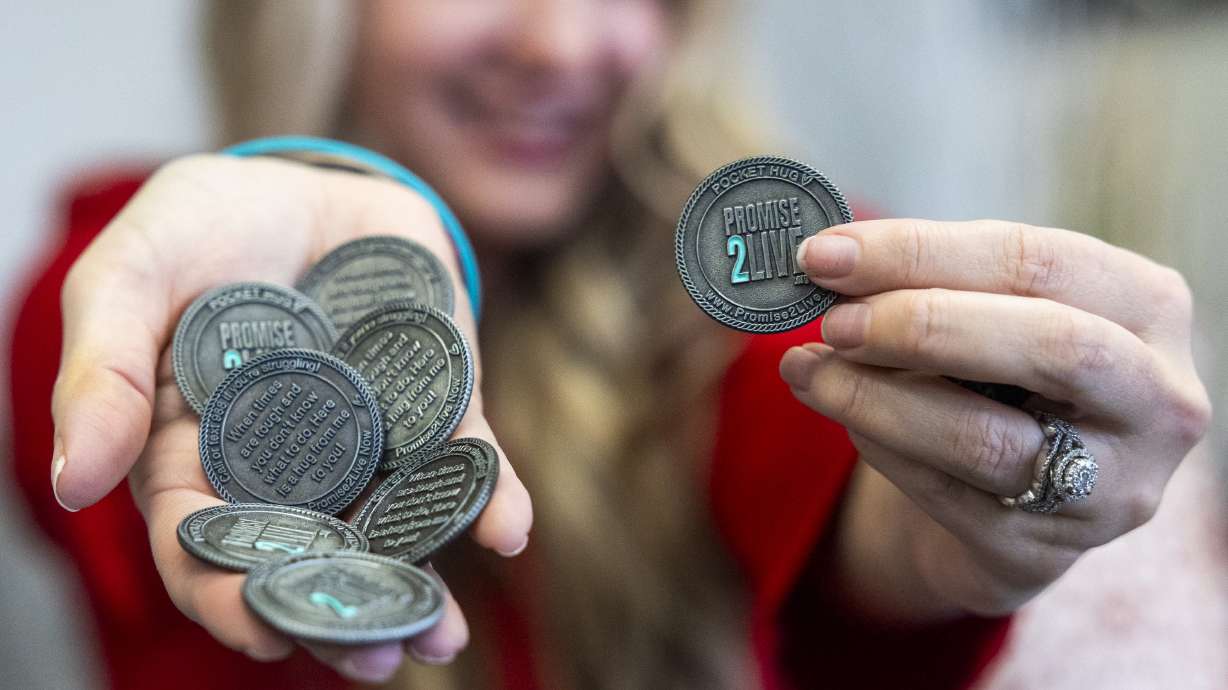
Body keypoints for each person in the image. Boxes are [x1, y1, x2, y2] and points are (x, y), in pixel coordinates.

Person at [7, 1, 1211, 688]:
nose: (567, 43)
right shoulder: (132, 267)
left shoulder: (734, 282)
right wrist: (333, 192)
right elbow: (75, 428)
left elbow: (837, 471)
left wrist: (973, 509)